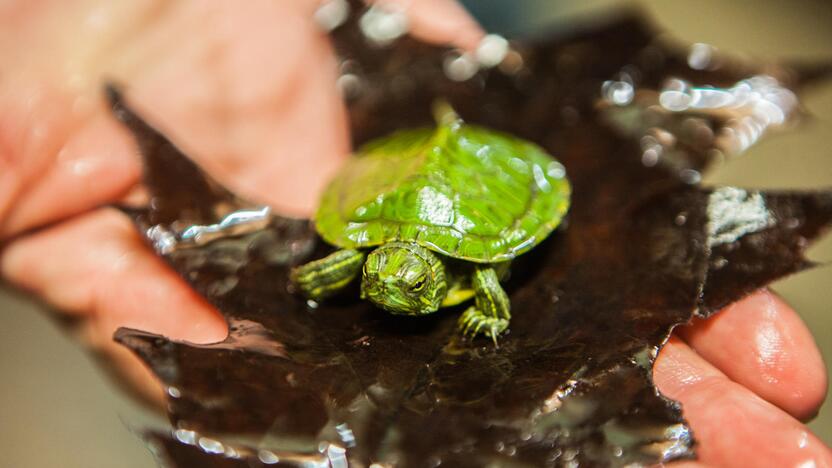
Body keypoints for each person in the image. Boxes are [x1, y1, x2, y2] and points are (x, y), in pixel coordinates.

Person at [0, 1, 829, 465]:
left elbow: (484, 273)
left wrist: (485, 300)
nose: (396, 284)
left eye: (409, 277)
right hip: (393, 179)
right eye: (389, 274)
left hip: (484, 183)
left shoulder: (467, 268)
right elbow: (336, 271)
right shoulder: (364, 255)